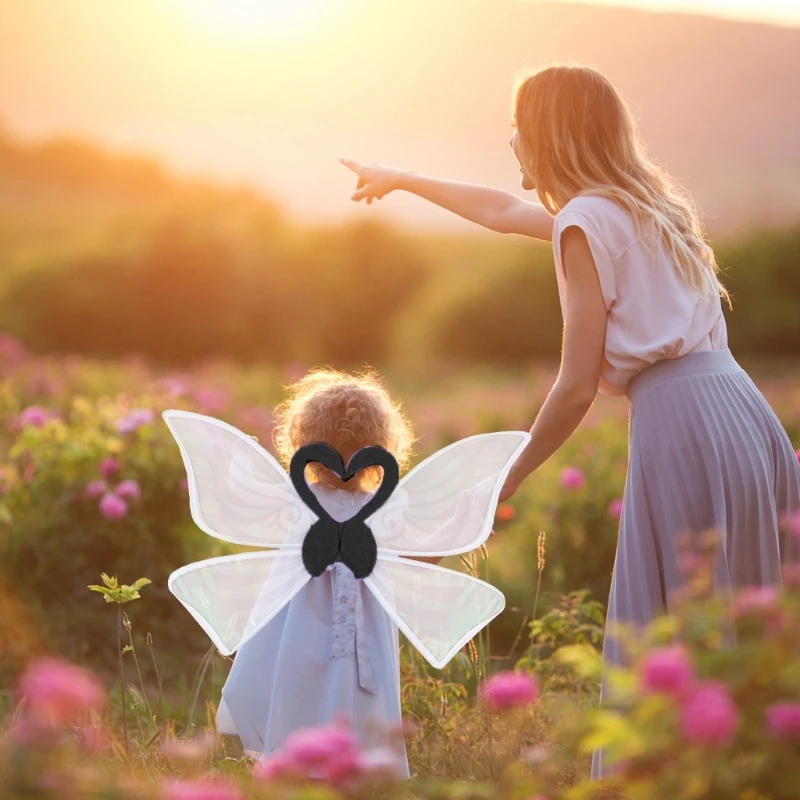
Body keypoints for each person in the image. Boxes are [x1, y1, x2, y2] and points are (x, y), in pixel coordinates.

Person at [341, 63, 800, 779]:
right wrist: (400, 176)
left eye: (520, 126)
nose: (512, 140)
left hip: (683, 424)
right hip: (743, 412)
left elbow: (576, 385)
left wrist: (503, 479)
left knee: (673, 631)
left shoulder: (588, 222)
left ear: (549, 134)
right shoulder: (647, 207)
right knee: (740, 622)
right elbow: (498, 210)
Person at [216, 368, 416, 776]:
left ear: (302, 441)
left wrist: (240, 460)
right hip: (364, 625)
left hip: (298, 618)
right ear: (381, 446)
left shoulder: (296, 498)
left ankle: (296, 755)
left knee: (296, 675)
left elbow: (244, 496)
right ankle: (351, 761)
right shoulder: (387, 504)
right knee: (357, 687)